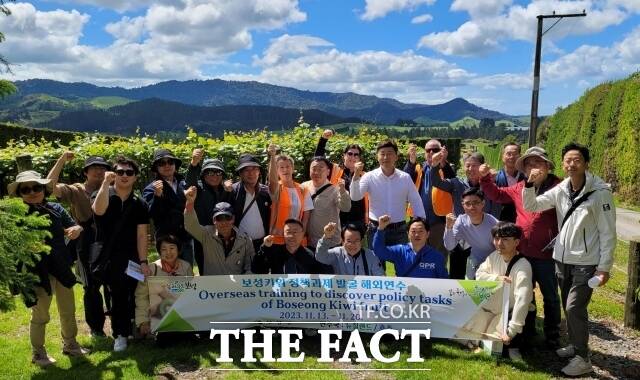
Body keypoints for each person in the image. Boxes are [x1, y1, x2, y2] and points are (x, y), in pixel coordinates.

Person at [523, 143, 616, 377]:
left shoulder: (599, 193)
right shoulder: (562, 189)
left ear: (586, 164)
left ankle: (582, 358)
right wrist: (529, 184)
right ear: (562, 164)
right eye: (567, 160)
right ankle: (575, 346)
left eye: (576, 160)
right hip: (562, 259)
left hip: (587, 261)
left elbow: (608, 233)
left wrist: (603, 268)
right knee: (568, 306)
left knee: (574, 307)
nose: (571, 164)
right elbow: (532, 205)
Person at [479, 146, 562, 346]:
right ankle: (527, 332)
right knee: (524, 293)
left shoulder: (559, 187)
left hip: (547, 253)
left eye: (537, 162)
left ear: (547, 166)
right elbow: (497, 195)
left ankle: (552, 335)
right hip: (522, 251)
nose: (532, 167)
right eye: (528, 164)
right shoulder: (519, 187)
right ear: (524, 169)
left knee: (550, 296)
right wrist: (484, 179)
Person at [8, 170, 89, 366]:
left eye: (36, 187)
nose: (32, 192)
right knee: (40, 314)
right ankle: (38, 354)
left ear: (44, 189)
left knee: (68, 310)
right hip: (36, 273)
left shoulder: (56, 209)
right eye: (26, 189)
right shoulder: (15, 215)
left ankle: (70, 344)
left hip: (61, 268)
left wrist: (76, 229)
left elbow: (74, 226)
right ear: (20, 193)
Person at [47, 152, 112, 337]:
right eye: (94, 168)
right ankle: (97, 328)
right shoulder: (76, 190)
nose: (99, 171)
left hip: (109, 239)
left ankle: (119, 324)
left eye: (102, 168)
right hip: (86, 241)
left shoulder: (112, 187)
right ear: (86, 172)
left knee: (113, 283)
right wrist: (61, 160)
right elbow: (50, 187)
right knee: (91, 286)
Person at [92, 156, 150, 352]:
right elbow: (98, 211)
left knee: (133, 294)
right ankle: (120, 335)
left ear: (135, 177)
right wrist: (105, 184)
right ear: (114, 174)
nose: (124, 176)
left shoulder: (140, 204)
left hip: (132, 257)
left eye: (129, 172)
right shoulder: (103, 194)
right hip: (110, 257)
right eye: (120, 172)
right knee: (116, 296)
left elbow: (142, 234)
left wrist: (143, 260)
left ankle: (133, 328)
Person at [350, 139, 425, 248]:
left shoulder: (405, 178)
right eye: (382, 154)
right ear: (377, 157)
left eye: (389, 154)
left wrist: (421, 225)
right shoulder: (369, 176)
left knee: (402, 264)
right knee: (376, 264)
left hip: (399, 231)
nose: (386, 157)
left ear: (396, 156)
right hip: (376, 229)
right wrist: (356, 176)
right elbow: (355, 196)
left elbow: (416, 201)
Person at [476, 222, 533, 361]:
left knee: (506, 344)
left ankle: (514, 345)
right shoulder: (494, 256)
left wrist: (511, 331)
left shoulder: (523, 266)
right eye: (496, 239)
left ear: (516, 242)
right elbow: (479, 275)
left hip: (511, 312)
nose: (499, 243)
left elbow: (522, 300)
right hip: (495, 310)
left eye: (505, 239)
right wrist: (497, 278)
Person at [404, 139, 456, 258]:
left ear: (441, 152)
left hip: (438, 221)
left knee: (438, 256)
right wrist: (411, 162)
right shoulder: (418, 167)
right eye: (428, 150)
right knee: (416, 256)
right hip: (418, 220)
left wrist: (442, 162)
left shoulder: (445, 168)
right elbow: (405, 179)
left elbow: (452, 179)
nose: (431, 152)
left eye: (435, 150)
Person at [184, 187, 254, 275]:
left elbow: (250, 265)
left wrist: (246, 279)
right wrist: (190, 202)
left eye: (227, 218)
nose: (224, 222)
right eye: (219, 218)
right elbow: (191, 225)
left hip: (236, 287)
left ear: (233, 219)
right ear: (214, 220)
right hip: (213, 286)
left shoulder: (245, 239)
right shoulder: (206, 233)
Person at [135, 234, 194, 337]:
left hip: (180, 314)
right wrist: (143, 322)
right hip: (157, 316)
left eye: (172, 248)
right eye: (164, 249)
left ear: (178, 250)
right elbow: (141, 297)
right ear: (159, 252)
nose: (168, 252)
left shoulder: (186, 267)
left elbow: (191, 293)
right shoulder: (151, 269)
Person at [143, 149, 193, 266]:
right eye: (162, 163)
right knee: (168, 277)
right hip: (166, 241)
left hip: (185, 238)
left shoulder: (184, 183)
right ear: (156, 168)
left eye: (170, 162)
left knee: (187, 276)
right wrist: (158, 196)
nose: (167, 166)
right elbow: (151, 213)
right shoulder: (151, 188)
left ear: (175, 165)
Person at [185, 148, 232, 270]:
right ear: (203, 175)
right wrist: (194, 164)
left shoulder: (226, 190)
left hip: (223, 236)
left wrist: (228, 192)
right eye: (210, 173)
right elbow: (190, 182)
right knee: (205, 269)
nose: (214, 176)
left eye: (218, 173)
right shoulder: (198, 189)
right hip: (203, 237)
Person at [314, 129, 367, 226]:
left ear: (359, 158)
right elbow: (318, 160)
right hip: (336, 218)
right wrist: (323, 139)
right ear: (344, 156)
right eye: (350, 154)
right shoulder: (334, 169)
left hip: (358, 220)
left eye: (356, 155)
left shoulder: (364, 175)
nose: (353, 157)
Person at [444, 188, 498, 280]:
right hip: (475, 260)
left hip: (494, 260)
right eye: (468, 204)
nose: (472, 207)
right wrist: (448, 227)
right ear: (463, 205)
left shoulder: (494, 223)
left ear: (483, 204)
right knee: (470, 289)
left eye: (476, 202)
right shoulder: (461, 221)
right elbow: (449, 246)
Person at [225, 153, 272, 254]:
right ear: (240, 174)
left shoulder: (265, 192)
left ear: (259, 172)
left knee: (260, 269)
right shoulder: (233, 191)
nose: (251, 173)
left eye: (254, 169)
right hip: (239, 244)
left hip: (262, 243)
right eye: (246, 170)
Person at [372, 216, 448, 279]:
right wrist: (380, 228)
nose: (417, 235)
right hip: (405, 294)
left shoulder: (437, 256)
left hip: (427, 296)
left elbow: (444, 280)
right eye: (413, 231)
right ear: (408, 234)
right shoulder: (400, 251)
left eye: (421, 231)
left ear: (427, 234)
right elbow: (379, 251)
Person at [267, 144, 313, 245]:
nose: (285, 170)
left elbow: (305, 219)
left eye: (288, 166)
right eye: (281, 167)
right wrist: (272, 156)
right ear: (277, 171)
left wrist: (301, 235)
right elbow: (272, 181)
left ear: (293, 168)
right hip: (278, 240)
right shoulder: (277, 187)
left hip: (296, 240)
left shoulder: (303, 189)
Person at [302, 156, 351, 248]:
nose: (316, 172)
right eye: (314, 169)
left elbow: (346, 208)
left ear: (328, 172)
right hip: (309, 242)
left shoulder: (336, 190)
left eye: (321, 169)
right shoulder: (304, 186)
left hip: (330, 242)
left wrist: (343, 191)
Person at [252, 219, 330, 274]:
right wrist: (264, 247)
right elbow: (257, 270)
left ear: (303, 234)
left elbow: (322, 276)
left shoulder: (311, 256)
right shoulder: (275, 252)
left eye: (295, 232)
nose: (291, 235)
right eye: (288, 232)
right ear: (283, 234)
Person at [315, 222, 384, 276]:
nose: (353, 245)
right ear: (342, 241)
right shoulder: (336, 253)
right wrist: (326, 237)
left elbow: (380, 277)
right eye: (349, 241)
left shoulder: (371, 256)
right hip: (342, 292)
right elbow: (320, 256)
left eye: (356, 241)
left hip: (364, 292)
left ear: (361, 241)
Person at [495, 143, 526, 222]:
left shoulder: (527, 179)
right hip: (499, 221)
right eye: (509, 154)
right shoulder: (495, 178)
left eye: (515, 154)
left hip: (521, 220)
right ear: (503, 157)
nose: (512, 157)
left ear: (520, 156)